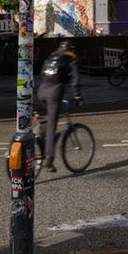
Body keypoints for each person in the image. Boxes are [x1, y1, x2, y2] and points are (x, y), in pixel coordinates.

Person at [37, 40, 81, 172]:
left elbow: (41, 73)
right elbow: (75, 80)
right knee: (52, 126)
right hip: (54, 93)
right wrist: (78, 96)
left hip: (41, 91)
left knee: (47, 119)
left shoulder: (51, 57)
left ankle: (39, 140)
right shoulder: (70, 60)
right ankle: (49, 160)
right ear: (71, 50)